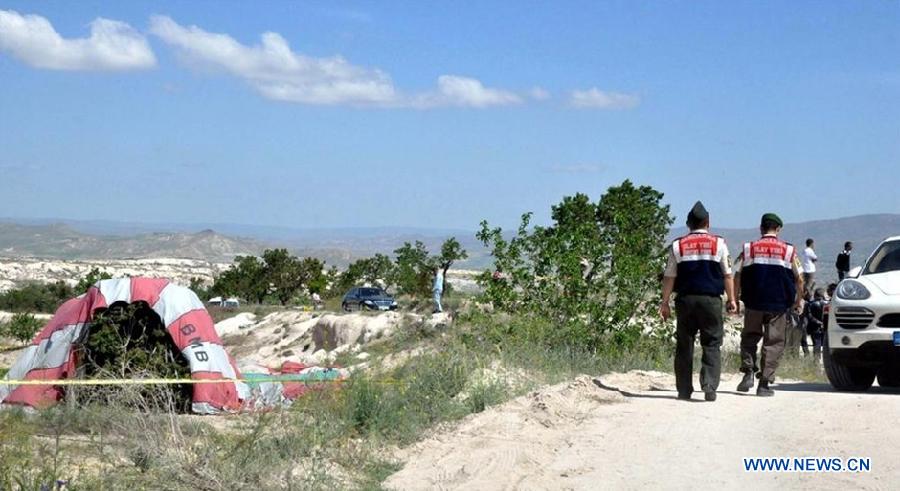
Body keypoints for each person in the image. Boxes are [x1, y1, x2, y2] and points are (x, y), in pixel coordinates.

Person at [660, 201, 737, 402]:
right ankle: (709, 385)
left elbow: (669, 276)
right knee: (711, 343)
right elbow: (727, 274)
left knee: (684, 345)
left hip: (685, 301)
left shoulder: (677, 245)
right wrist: (732, 299)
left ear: (688, 224)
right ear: (708, 222)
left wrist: (665, 302)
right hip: (710, 300)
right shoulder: (719, 243)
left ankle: (684, 390)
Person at [734, 213, 804, 397]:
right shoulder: (788, 251)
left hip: (753, 303)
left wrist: (734, 299)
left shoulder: (749, 249)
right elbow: (800, 279)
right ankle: (764, 384)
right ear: (778, 229)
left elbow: (737, 275)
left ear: (761, 228)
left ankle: (748, 372)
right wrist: (798, 301)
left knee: (749, 337)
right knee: (773, 342)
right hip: (778, 306)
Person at [804, 288, 827, 360]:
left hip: (814, 327)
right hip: (825, 327)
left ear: (815, 295)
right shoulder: (827, 304)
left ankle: (816, 361)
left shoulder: (810, 304)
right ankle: (823, 360)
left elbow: (809, 316)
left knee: (816, 344)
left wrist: (818, 322)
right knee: (823, 344)